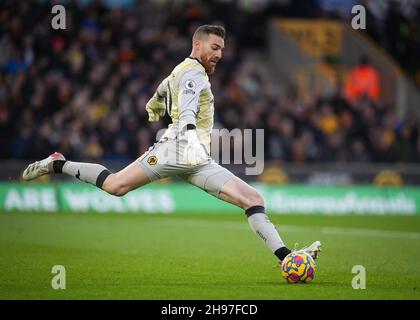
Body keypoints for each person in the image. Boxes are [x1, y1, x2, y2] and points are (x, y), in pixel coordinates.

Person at [22, 25, 321, 265]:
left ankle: (287, 259)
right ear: (198, 45)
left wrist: (154, 105)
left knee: (252, 197)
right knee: (115, 186)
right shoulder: (194, 73)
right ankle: (57, 162)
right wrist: (188, 136)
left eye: (221, 50)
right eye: (214, 48)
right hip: (177, 149)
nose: (219, 54)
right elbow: (188, 110)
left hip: (197, 158)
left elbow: (164, 86)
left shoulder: (183, 68)